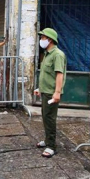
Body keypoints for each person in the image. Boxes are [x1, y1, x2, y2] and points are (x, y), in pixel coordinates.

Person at [34, 28, 66, 158]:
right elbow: (46, 75)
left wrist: (57, 92)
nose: (41, 40)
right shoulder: (47, 54)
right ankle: (47, 140)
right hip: (45, 91)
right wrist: (39, 88)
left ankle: (51, 146)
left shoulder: (57, 54)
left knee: (50, 119)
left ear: (50, 40)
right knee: (45, 117)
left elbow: (59, 74)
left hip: (52, 93)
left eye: (43, 38)